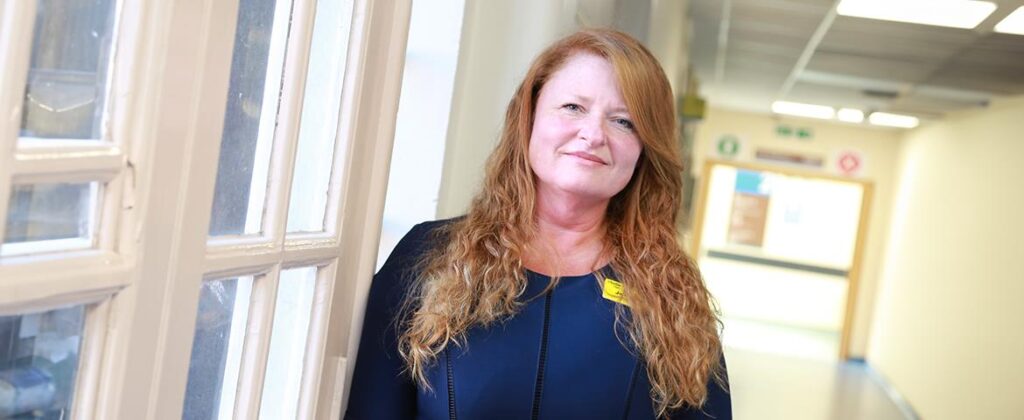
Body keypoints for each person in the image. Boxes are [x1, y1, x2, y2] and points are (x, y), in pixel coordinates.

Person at [345, 29, 731, 419]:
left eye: (623, 121)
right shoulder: (429, 256)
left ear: (645, 149)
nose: (593, 134)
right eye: (572, 108)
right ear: (529, 116)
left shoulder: (673, 293)